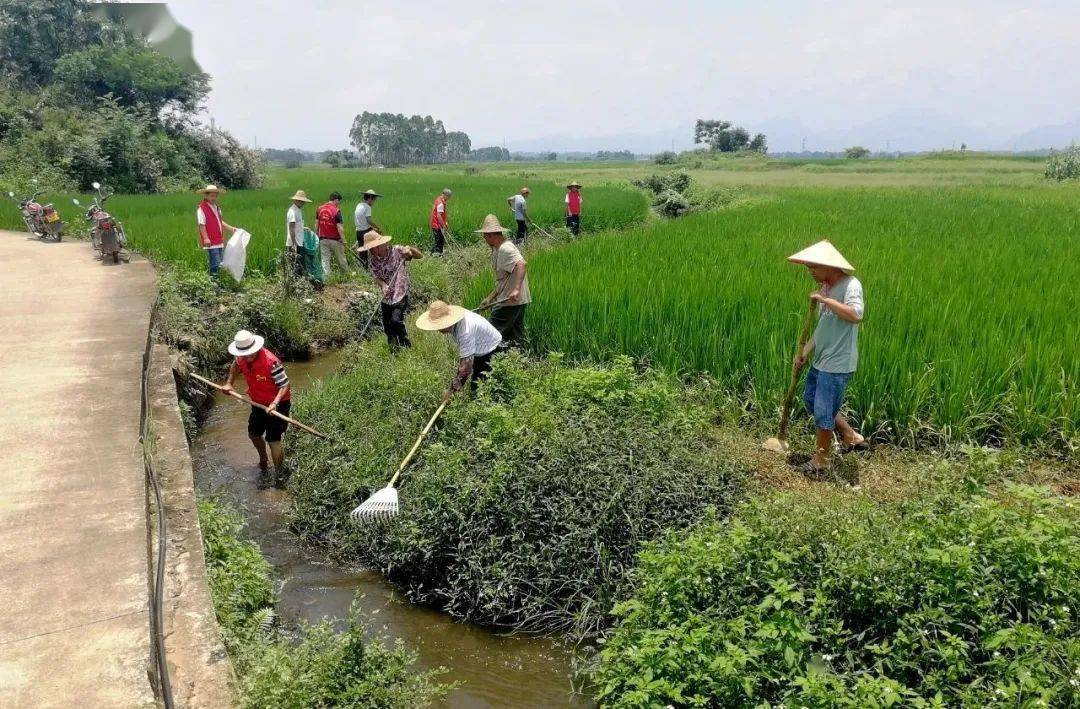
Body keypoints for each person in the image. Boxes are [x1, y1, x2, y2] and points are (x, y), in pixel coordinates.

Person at [788, 240, 869, 474]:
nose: (810, 272)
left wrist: (826, 301)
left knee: (824, 411)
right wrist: (804, 353)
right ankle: (850, 435)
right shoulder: (827, 287)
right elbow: (822, 328)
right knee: (812, 401)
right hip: (821, 359)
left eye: (813, 267)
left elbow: (855, 315)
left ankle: (821, 461)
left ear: (829, 266)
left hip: (837, 363)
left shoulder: (850, 285)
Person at [220, 329, 291, 476]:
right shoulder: (241, 359)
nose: (248, 357)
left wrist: (274, 403)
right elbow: (235, 367)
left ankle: (279, 474)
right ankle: (263, 459)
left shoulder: (271, 362)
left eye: (250, 353)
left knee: (273, 439)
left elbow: (284, 385)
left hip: (278, 403)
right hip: (258, 402)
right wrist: (229, 383)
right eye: (244, 354)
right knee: (253, 434)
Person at [415, 300, 502, 400]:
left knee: (480, 391)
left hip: (491, 349)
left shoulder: (465, 331)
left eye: (440, 325)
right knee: (478, 386)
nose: (438, 329)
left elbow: (465, 369)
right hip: (480, 348)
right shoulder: (457, 324)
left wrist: (451, 391)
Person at [357, 230, 422, 348]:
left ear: (382, 244)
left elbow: (419, 255)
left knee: (396, 321)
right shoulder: (373, 261)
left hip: (400, 293)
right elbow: (376, 277)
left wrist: (410, 249)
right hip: (386, 296)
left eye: (375, 247)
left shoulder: (397, 251)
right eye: (371, 249)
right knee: (387, 327)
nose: (373, 251)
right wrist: (383, 285)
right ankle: (393, 350)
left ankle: (406, 345)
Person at [475, 214, 531, 348]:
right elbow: (503, 280)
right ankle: (515, 363)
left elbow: (521, 264)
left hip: (509, 301)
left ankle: (485, 365)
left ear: (490, 235)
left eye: (485, 237)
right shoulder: (498, 249)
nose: (484, 240)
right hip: (516, 300)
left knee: (489, 335)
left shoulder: (506, 248)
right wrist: (490, 298)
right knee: (515, 338)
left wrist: (516, 289)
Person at [196, 184, 237, 277]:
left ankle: (217, 282)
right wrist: (206, 238)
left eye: (215, 196)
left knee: (221, 263)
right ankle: (214, 284)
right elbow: (201, 225)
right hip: (211, 241)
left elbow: (219, 221)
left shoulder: (217, 207)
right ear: (206, 196)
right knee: (216, 264)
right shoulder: (201, 209)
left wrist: (231, 228)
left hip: (219, 240)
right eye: (211, 196)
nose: (213, 198)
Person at [316, 191, 350, 276]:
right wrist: (344, 240)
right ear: (336, 200)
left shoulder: (319, 209)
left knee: (325, 260)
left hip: (323, 239)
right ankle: (347, 275)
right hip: (335, 240)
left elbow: (316, 224)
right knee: (341, 259)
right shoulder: (336, 211)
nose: (339, 204)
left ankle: (327, 278)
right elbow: (340, 228)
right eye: (339, 201)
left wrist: (317, 236)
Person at [353, 188, 383, 268]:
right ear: (370, 198)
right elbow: (369, 220)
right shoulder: (367, 207)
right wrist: (377, 227)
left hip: (358, 232)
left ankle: (363, 268)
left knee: (362, 251)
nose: (373, 202)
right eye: (373, 200)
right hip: (365, 232)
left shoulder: (359, 205)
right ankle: (378, 264)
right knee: (377, 245)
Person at [285, 190, 311, 277]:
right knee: (295, 265)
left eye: (303, 201)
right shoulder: (292, 211)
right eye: (301, 201)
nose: (303, 203)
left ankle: (300, 283)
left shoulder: (298, 210)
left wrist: (304, 228)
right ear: (296, 200)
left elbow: (296, 226)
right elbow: (291, 228)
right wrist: (294, 244)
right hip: (295, 242)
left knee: (300, 264)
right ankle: (295, 284)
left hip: (299, 241)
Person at [429, 188, 452, 254]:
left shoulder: (439, 199)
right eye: (448, 197)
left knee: (440, 240)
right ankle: (435, 254)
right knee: (439, 241)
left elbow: (442, 215)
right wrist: (443, 225)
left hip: (436, 224)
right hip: (437, 225)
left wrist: (445, 222)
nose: (449, 199)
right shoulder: (441, 203)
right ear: (445, 195)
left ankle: (438, 254)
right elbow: (439, 216)